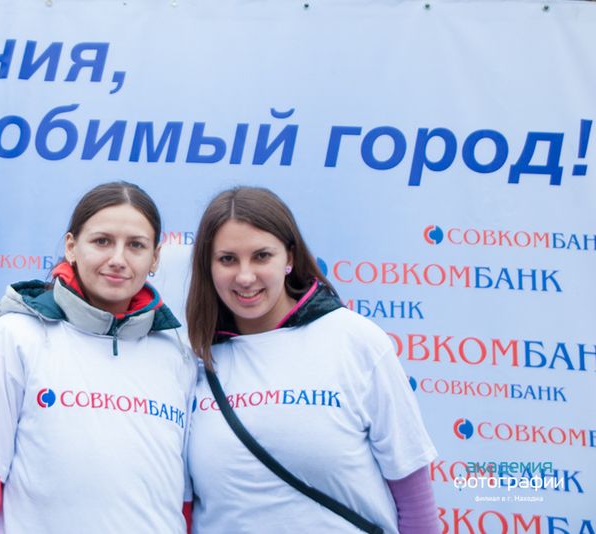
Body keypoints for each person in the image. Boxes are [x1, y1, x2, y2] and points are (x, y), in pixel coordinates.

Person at [185, 186, 439, 534]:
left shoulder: (356, 342)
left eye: (261, 256)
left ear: (289, 257)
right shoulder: (192, 360)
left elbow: (415, 500)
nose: (245, 276)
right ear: (208, 266)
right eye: (227, 259)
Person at [0, 181, 196, 533]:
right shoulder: (15, 337)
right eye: (102, 241)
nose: (118, 259)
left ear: (154, 257)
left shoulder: (177, 354)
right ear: (71, 247)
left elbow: (183, 499)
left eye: (136, 245)